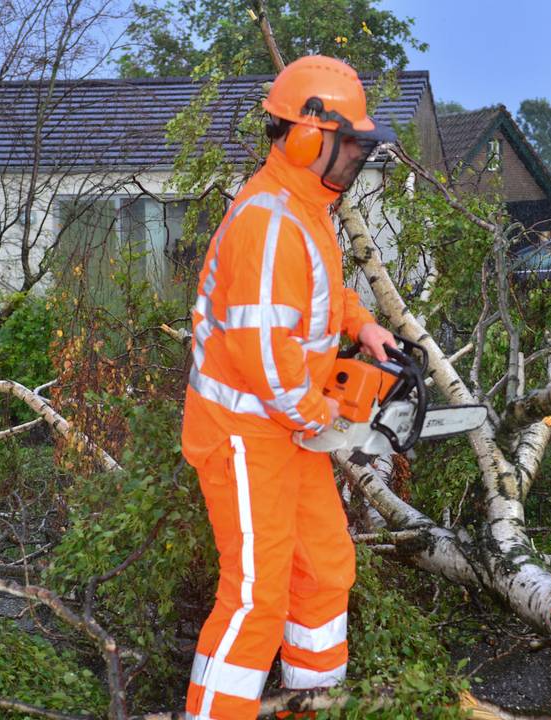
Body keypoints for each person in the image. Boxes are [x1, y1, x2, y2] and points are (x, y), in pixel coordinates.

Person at [179, 55, 398, 720]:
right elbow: (266, 360)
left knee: (325, 570)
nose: (355, 157)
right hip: (246, 436)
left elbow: (319, 294)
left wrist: (363, 326)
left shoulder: (307, 207)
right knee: (257, 596)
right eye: (347, 143)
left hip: (292, 428)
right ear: (305, 137)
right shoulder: (268, 222)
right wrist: (324, 416)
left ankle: (313, 707)